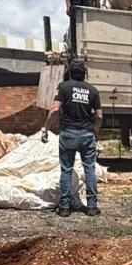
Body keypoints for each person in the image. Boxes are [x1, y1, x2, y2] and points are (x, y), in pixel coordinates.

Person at [41, 59, 103, 217]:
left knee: (66, 170)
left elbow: (54, 109)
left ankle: (64, 208)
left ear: (69, 72)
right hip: (87, 134)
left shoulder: (63, 87)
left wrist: (46, 129)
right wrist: (95, 132)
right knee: (89, 169)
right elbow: (99, 116)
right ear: (84, 73)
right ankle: (91, 207)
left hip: (68, 134)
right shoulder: (93, 90)